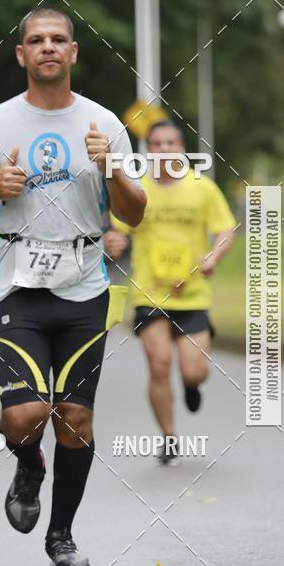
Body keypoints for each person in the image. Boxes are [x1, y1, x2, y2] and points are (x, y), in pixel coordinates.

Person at [0, 6, 145, 566]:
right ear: (21, 54)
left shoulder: (104, 123)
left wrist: (111, 167)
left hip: (85, 286)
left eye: (57, 39)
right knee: (25, 417)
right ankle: (28, 466)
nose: (47, 48)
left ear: (73, 52)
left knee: (75, 418)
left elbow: (135, 212)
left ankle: (60, 535)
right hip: (18, 286)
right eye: (36, 40)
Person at [104, 120, 236, 466]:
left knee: (194, 372)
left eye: (170, 143)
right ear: (148, 150)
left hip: (191, 294)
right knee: (159, 365)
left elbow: (225, 229)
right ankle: (169, 437)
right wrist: (113, 241)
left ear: (181, 148)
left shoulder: (201, 188)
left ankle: (191, 387)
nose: (163, 149)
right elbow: (116, 230)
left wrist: (214, 256)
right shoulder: (137, 188)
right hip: (149, 293)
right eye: (157, 144)